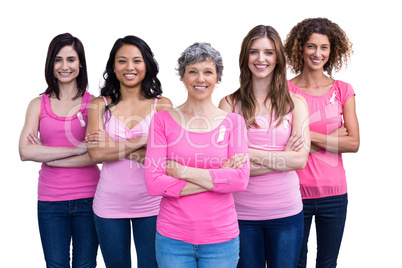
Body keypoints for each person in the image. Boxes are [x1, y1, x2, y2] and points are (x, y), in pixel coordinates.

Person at [144, 42, 250, 268]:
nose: (200, 79)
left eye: (208, 72)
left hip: (221, 239)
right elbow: (153, 184)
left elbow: (240, 180)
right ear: (182, 77)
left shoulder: (234, 122)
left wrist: (183, 172)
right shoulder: (162, 121)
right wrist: (220, 175)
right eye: (192, 71)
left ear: (218, 78)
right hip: (173, 238)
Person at [219, 25, 310, 268]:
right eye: (254, 52)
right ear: (244, 57)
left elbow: (300, 161)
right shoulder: (228, 104)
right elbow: (224, 166)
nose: (261, 59)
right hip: (240, 215)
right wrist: (283, 160)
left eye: (269, 52)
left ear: (278, 58)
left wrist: (245, 154)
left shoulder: (296, 104)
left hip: (286, 213)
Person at [84, 35, 172, 268]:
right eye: (122, 61)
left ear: (147, 65)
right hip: (109, 204)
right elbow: (96, 155)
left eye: (137, 60)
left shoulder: (162, 105)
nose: (129, 67)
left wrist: (112, 147)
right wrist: (144, 139)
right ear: (113, 66)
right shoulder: (99, 104)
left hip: (153, 202)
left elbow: (162, 159)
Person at [19, 33, 100, 268]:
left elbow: (96, 154)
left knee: (85, 265)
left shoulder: (94, 104)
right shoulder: (38, 104)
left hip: (90, 198)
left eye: (71, 59)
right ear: (50, 64)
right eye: (58, 59)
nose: (64, 66)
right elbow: (25, 151)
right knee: (56, 265)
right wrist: (78, 148)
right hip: (50, 201)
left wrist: (47, 154)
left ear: (80, 63)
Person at [284, 18, 360, 268]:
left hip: (335, 194)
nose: (318, 53)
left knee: (327, 263)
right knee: (295, 262)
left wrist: (307, 136)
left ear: (332, 50)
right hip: (294, 192)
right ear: (300, 48)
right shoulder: (285, 91)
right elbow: (283, 144)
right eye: (311, 46)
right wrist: (332, 137)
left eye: (324, 47)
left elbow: (353, 143)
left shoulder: (342, 90)